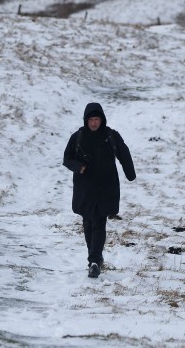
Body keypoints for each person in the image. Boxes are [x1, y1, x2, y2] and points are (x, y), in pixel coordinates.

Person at [62, 102, 136, 278]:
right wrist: (78, 167)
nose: (94, 123)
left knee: (99, 222)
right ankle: (94, 258)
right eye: (91, 120)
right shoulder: (78, 137)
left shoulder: (110, 136)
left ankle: (94, 260)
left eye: (97, 119)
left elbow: (124, 154)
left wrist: (130, 174)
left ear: (102, 120)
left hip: (106, 186)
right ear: (86, 121)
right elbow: (67, 158)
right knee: (88, 223)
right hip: (85, 187)